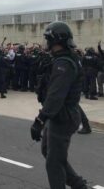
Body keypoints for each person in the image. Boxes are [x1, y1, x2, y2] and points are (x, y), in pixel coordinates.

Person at [30, 21, 88, 189]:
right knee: (48, 151)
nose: (46, 43)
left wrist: (39, 121)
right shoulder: (65, 58)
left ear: (57, 41)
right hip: (60, 115)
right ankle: (79, 186)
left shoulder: (64, 63)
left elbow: (55, 97)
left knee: (54, 163)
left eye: (48, 39)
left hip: (63, 117)